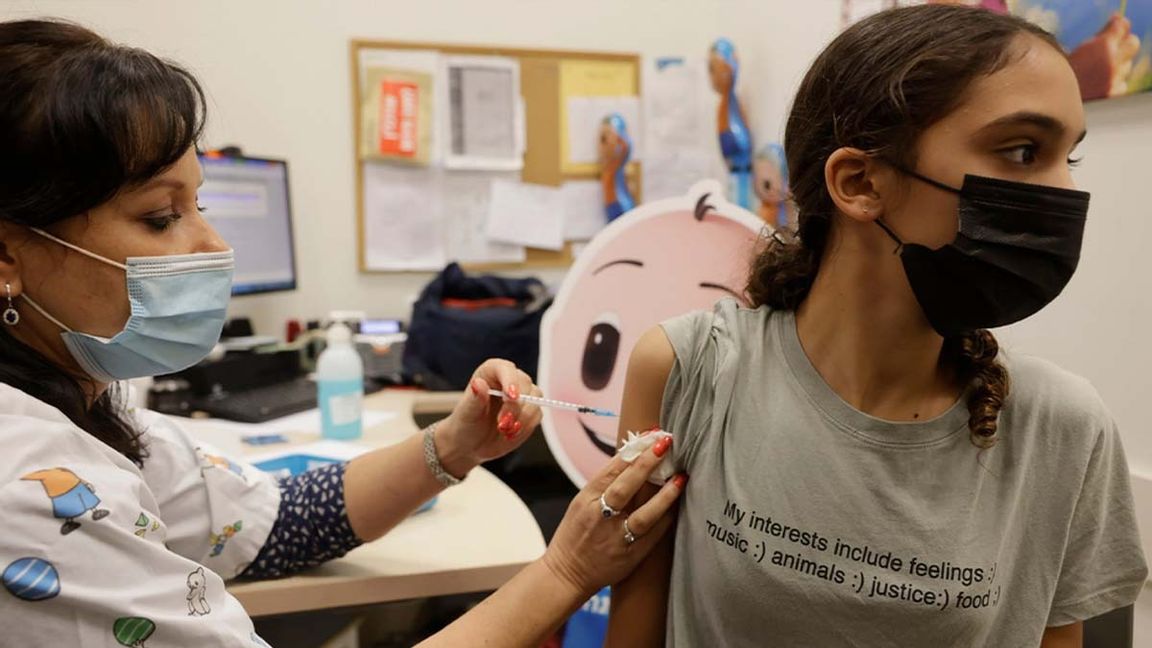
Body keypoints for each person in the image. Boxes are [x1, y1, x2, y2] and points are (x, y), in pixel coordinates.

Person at [0, 19, 685, 647]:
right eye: (159, 217)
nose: (211, 244)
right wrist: (566, 570)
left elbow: (269, 524)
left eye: (198, 204)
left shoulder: (84, 408)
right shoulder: (26, 492)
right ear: (8, 258)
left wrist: (453, 446)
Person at [608, 5, 1147, 647]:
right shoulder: (690, 370)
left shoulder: (1062, 428)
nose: (1061, 194)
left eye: (1070, 160)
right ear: (860, 181)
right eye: (1024, 150)